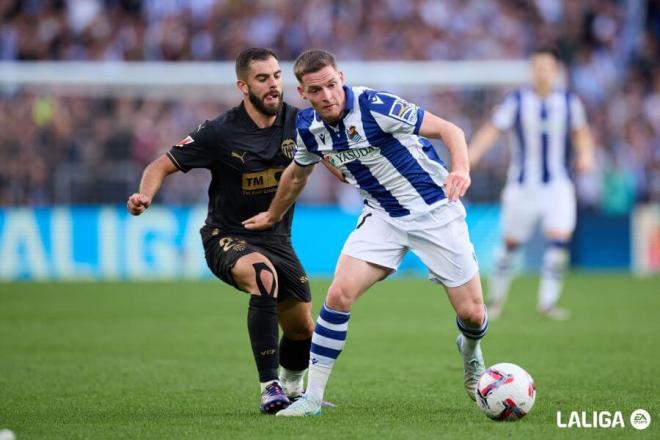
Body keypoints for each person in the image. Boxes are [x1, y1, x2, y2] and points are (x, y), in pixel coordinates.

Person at [243, 49, 488, 416]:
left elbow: (449, 130)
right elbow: (296, 175)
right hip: (381, 216)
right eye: (317, 90)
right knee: (339, 294)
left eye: (331, 85)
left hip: (435, 210)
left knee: (472, 313)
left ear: (340, 78)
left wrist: (462, 170)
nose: (327, 95)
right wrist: (272, 215)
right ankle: (312, 399)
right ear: (303, 94)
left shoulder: (375, 106)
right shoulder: (309, 129)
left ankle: (470, 352)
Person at [126, 48, 316, 414]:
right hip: (227, 236)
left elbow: (335, 161)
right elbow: (160, 165)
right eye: (263, 79)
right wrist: (144, 196)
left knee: (302, 328)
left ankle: (293, 388)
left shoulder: (302, 123)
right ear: (243, 86)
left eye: (277, 76)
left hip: (277, 239)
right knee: (263, 277)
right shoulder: (219, 131)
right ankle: (269, 386)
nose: (274, 85)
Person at [468, 47, 595, 321]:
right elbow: (493, 128)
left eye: (547, 68)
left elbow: (581, 132)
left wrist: (586, 155)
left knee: (559, 239)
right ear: (531, 71)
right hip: (522, 185)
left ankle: (548, 303)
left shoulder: (569, 102)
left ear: (556, 71)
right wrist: (472, 154)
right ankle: (496, 300)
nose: (542, 73)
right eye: (537, 67)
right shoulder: (516, 100)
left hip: (558, 185)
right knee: (511, 243)